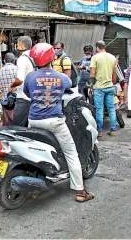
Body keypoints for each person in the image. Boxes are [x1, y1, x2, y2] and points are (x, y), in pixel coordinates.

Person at [24, 43, 95, 203]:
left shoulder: (30, 76)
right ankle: (80, 192)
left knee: (34, 152)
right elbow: (70, 85)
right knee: (71, 154)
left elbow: (27, 92)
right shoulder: (61, 77)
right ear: (52, 57)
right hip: (55, 122)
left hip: (34, 121)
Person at [90, 40, 117, 137]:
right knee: (111, 109)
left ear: (97, 47)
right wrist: (112, 83)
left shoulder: (95, 57)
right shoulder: (112, 57)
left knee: (99, 109)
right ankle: (113, 130)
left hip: (99, 88)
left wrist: (91, 85)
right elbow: (114, 73)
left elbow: (92, 73)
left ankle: (100, 131)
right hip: (110, 87)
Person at [9, 36, 34, 127]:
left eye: (18, 45)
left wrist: (12, 86)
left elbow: (20, 80)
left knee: (18, 127)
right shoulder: (34, 56)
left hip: (23, 98)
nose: (16, 46)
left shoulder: (22, 59)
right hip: (34, 98)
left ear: (22, 46)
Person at [0, 52, 17, 126]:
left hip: (5, 102)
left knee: (7, 123)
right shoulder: (17, 69)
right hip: (16, 101)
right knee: (16, 122)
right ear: (14, 61)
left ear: (4, 61)